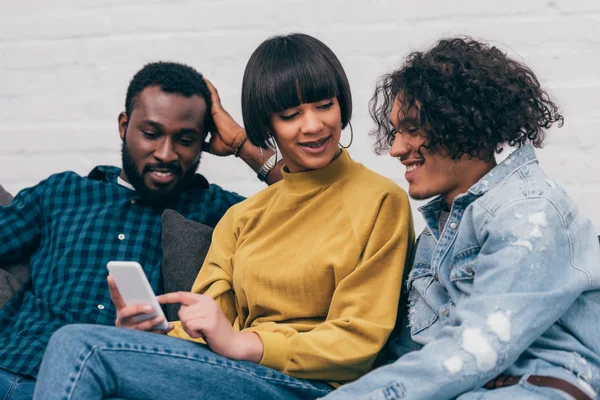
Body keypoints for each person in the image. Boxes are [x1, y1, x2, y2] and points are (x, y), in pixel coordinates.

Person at [33, 33, 415, 400]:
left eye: (324, 105)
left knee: (76, 344)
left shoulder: (381, 200)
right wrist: (153, 334)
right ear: (268, 127)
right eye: (290, 114)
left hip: (313, 385)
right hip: (238, 373)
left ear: (342, 105)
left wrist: (247, 343)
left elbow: (358, 340)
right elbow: (208, 321)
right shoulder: (243, 216)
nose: (313, 125)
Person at [322, 37, 600, 400]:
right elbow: (406, 355)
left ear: (463, 123)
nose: (395, 148)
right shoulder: (436, 236)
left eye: (411, 128)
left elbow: (475, 349)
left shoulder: (529, 213)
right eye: (395, 131)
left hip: (531, 387)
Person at [0, 61, 285, 400]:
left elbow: (308, 207)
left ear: (204, 143)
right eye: (151, 134)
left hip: (103, 384)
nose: (165, 154)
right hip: (11, 362)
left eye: (185, 139)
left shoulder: (218, 210)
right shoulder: (62, 192)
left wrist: (243, 145)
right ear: (124, 126)